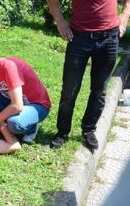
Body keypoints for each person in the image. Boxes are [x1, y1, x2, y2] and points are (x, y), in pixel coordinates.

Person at [46, 0, 130, 149]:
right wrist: (60, 21)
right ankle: (62, 131)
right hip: (79, 38)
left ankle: (89, 129)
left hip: (109, 38)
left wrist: (124, 16)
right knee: (69, 91)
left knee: (99, 91)